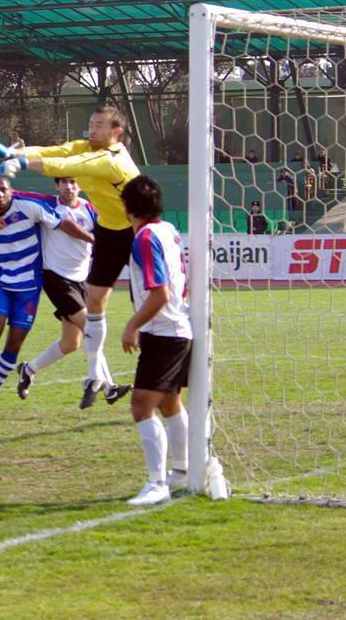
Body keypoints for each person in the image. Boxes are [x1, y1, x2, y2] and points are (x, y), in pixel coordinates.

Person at [0, 105, 141, 408]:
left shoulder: (106, 167)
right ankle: (104, 383)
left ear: (116, 132)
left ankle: (29, 369)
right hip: (62, 273)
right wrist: (13, 154)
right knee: (92, 318)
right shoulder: (51, 199)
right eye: (91, 123)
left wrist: (20, 160)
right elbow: (54, 153)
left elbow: (64, 163)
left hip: (124, 240)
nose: (92, 129)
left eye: (99, 125)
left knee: (72, 342)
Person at [0, 176, 95, 418]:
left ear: (11, 191)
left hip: (29, 288)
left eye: (3, 190)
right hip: (1, 283)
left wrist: (93, 239)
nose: (0, 194)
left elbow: (63, 223)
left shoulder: (30, 207)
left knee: (14, 345)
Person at [14, 178, 128, 407]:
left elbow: (105, 234)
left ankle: (28, 369)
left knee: (70, 343)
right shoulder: (48, 204)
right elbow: (14, 193)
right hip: (56, 278)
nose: (69, 187)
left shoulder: (90, 209)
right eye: (64, 182)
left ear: (80, 185)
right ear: (57, 186)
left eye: (73, 182)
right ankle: (108, 387)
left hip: (82, 280)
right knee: (91, 328)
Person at [119, 175, 192, 507]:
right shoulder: (168, 229)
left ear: (127, 207)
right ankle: (183, 471)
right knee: (168, 404)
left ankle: (157, 482)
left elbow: (159, 293)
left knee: (141, 406)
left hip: (165, 332)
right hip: (176, 329)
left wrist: (132, 325)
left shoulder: (145, 238)